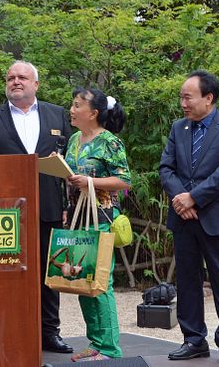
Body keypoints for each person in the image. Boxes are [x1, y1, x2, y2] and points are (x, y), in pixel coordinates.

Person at [0, 60, 73, 354]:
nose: (15, 81)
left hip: (48, 207)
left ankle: (49, 332)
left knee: (49, 271)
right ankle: (8, 330)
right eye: (10, 78)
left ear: (35, 84)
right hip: (3, 213)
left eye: (22, 77)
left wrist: (67, 204)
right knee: (7, 273)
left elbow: (69, 164)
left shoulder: (57, 114)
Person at [159, 70, 219, 366]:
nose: (183, 103)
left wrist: (193, 197)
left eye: (188, 97)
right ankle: (194, 339)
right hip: (183, 218)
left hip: (218, 217)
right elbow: (166, 169)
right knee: (187, 281)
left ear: (208, 98)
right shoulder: (178, 128)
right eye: (181, 97)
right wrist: (181, 200)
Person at [63, 87, 131, 362]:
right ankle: (95, 342)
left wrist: (90, 181)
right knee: (81, 281)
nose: (72, 109)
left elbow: (124, 181)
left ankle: (110, 349)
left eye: (78, 105)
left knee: (101, 283)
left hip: (101, 219)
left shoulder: (110, 142)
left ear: (93, 113)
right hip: (77, 217)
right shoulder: (75, 139)